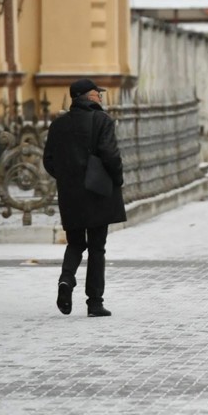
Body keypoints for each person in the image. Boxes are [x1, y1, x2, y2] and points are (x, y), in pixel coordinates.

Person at [42, 78, 126, 317]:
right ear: (88, 96)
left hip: (71, 194)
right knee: (97, 248)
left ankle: (66, 280)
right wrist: (117, 179)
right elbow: (110, 154)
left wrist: (67, 178)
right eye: (97, 94)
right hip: (98, 191)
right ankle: (95, 303)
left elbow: (48, 160)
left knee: (76, 243)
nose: (100, 97)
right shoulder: (101, 121)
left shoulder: (57, 125)